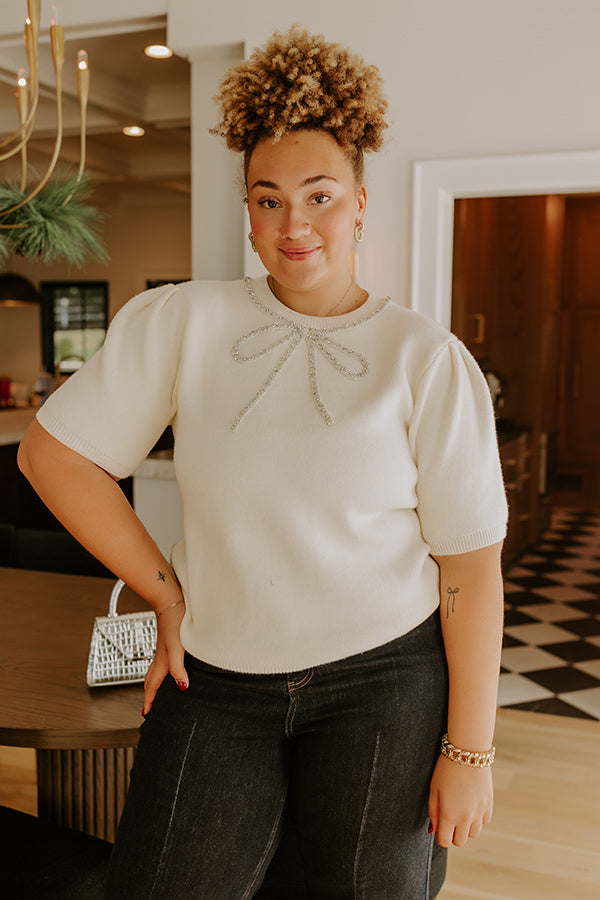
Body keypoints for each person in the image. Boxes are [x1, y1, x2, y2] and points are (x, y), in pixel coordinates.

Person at [18, 26, 507, 900]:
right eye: (269, 199)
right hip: (215, 680)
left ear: (362, 203)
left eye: (320, 196)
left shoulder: (425, 359)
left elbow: (469, 564)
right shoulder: (184, 321)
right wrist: (164, 591)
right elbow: (54, 457)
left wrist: (469, 751)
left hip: (384, 679)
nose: (294, 224)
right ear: (247, 210)